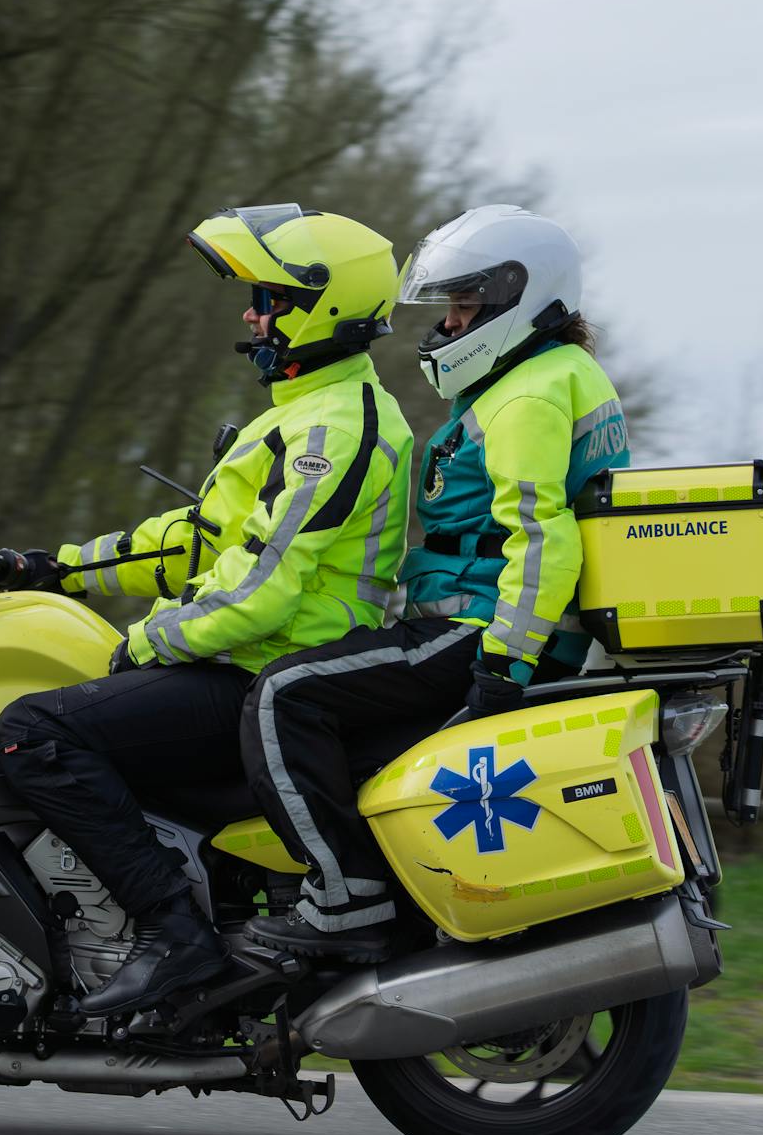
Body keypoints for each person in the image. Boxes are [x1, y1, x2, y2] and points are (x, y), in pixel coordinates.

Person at [0, 204, 415, 1016]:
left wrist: (145, 641)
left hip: (259, 668)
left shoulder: (335, 427)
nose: (252, 315)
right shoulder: (300, 414)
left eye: (269, 298)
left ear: (321, 305)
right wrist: (47, 568)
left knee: (32, 731)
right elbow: (195, 541)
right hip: (245, 659)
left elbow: (264, 587)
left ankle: (173, 933)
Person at [239, 205, 632, 962]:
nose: (449, 326)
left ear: (522, 300)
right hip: (505, 627)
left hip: (480, 630)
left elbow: (542, 537)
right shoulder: (567, 373)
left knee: (285, 694)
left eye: (464, 307)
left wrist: (502, 665)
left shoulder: (526, 397)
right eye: (450, 307)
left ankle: (346, 898)